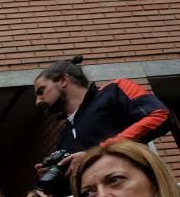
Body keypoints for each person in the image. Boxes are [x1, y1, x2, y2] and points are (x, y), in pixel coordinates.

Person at [34, 55, 172, 180]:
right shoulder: (63, 136)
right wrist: (56, 175)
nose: (38, 101)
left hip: (134, 188)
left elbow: (159, 115)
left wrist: (97, 152)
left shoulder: (115, 90)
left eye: (41, 91)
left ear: (63, 81)